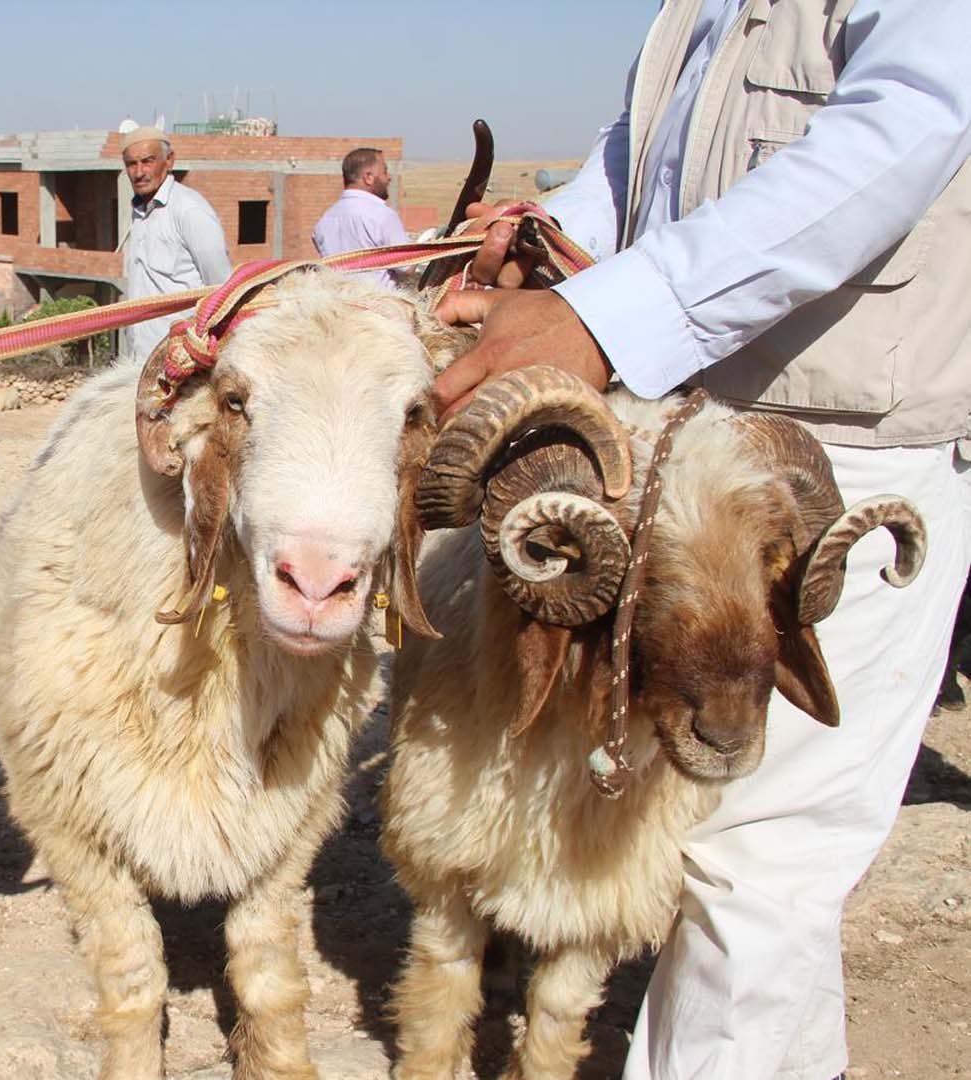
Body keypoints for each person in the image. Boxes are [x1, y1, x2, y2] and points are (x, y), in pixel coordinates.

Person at [434, 5, 971, 1078]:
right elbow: (638, 162)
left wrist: (604, 318)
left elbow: (900, 133)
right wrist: (548, 238)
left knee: (758, 860)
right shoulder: (696, 9)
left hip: (833, 455)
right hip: (688, 433)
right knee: (713, 836)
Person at [119, 126, 232, 362]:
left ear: (169, 161)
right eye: (132, 164)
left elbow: (222, 291)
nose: (139, 172)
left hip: (182, 362)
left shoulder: (189, 210)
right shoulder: (140, 212)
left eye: (148, 161)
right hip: (141, 360)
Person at [311, 147, 411, 285]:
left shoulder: (324, 221)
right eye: (384, 172)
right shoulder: (382, 215)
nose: (389, 177)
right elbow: (406, 267)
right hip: (379, 304)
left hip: (337, 303)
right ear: (368, 178)